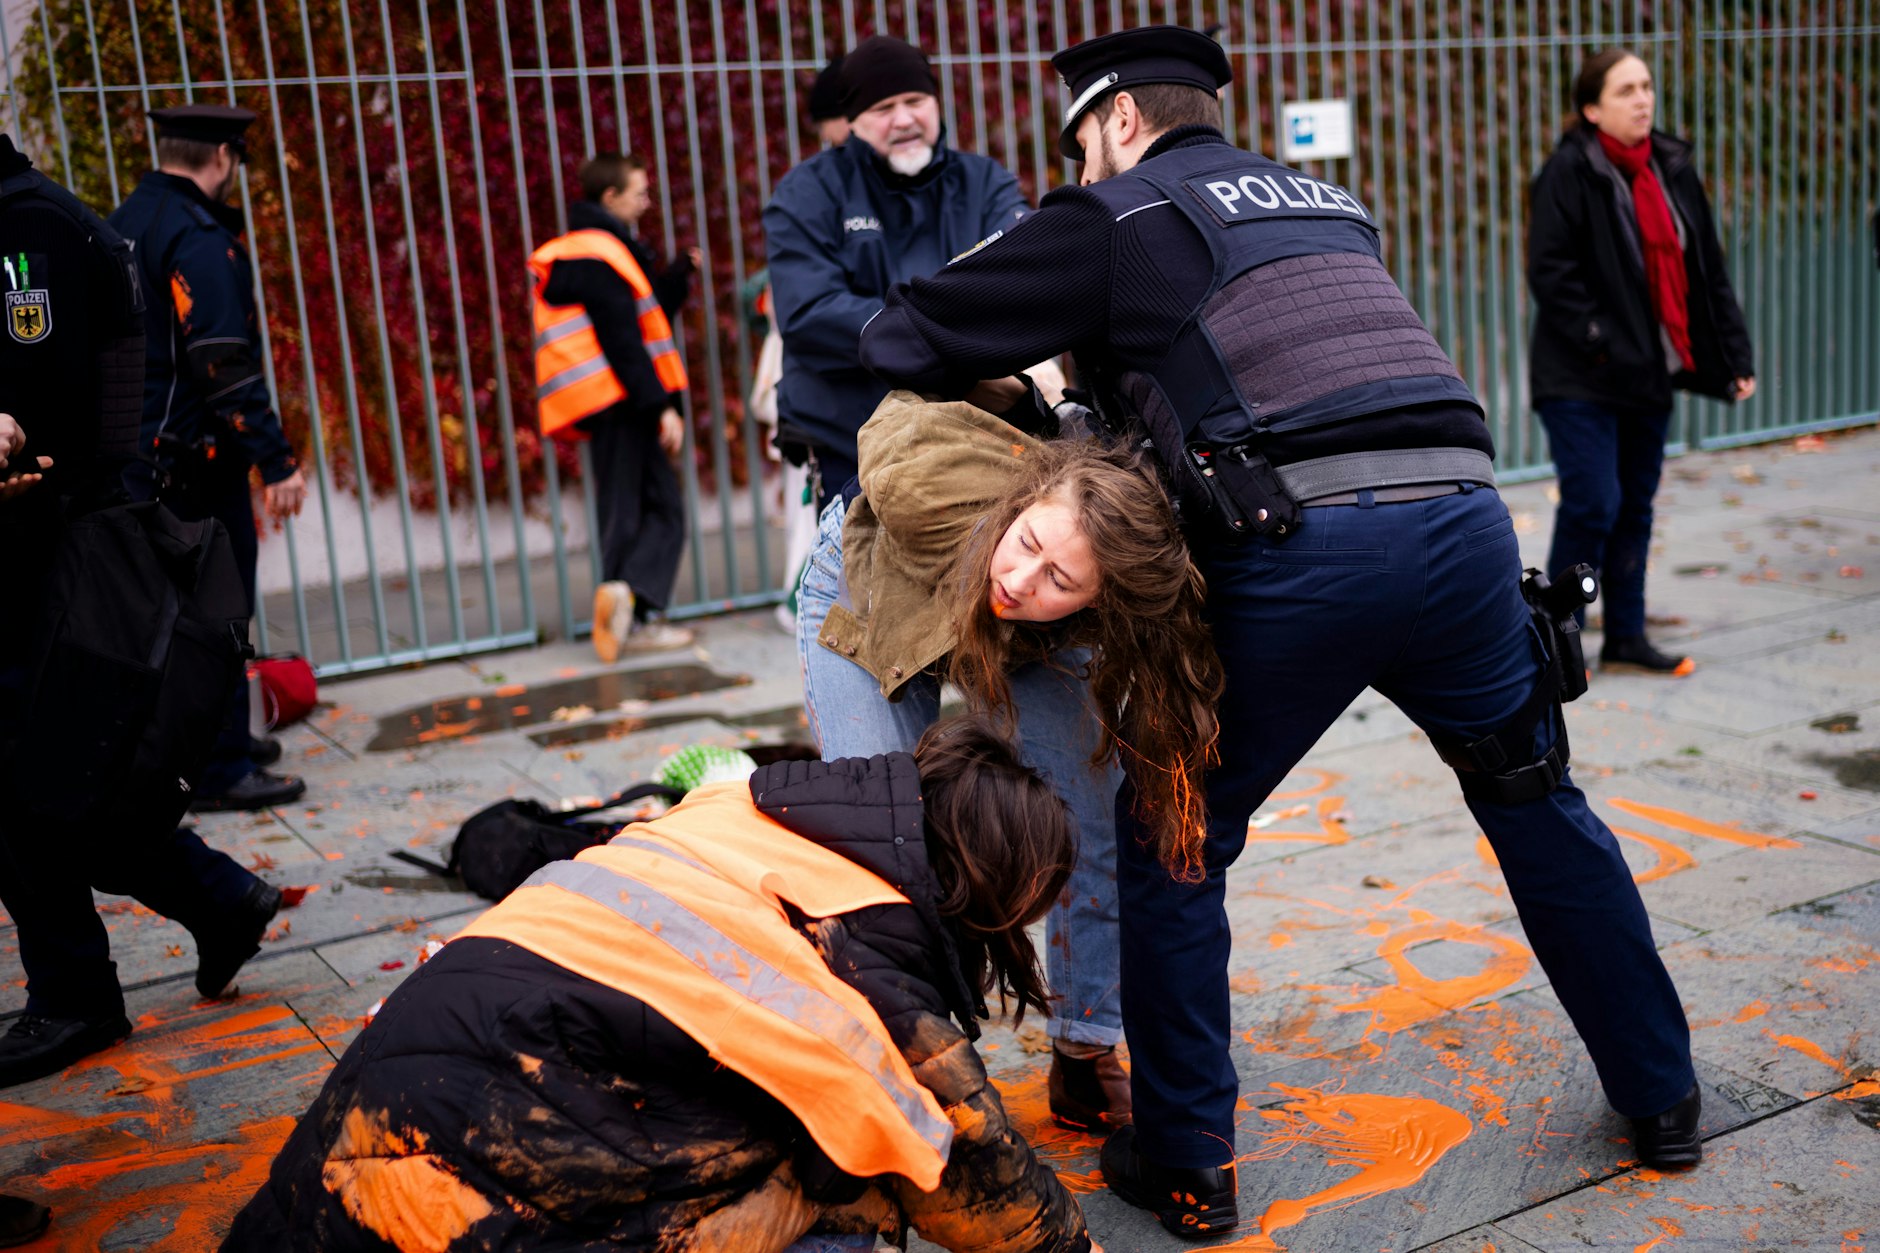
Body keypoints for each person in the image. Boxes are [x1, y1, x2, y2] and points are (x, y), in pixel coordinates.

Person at [858, 25, 1704, 1238]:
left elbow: (903, 333)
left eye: (1083, 144)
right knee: (1532, 799)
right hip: (1465, 525)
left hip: (1300, 550)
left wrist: (1047, 384)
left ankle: (1190, 1159)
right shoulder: (1325, 202)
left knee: (1172, 834)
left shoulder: (1116, 212)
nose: (1084, 166)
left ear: (1117, 124)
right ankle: (1662, 1096)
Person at [224, 716, 1098, 1253]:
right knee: (858, 1172)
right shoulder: (868, 965)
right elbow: (974, 1174)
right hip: (478, 1184)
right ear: (990, 886)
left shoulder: (743, 806)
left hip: (372, 1105)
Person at [797, 390, 1221, 1135]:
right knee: (877, 834)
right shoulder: (925, 490)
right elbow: (886, 418)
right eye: (1028, 544)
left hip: (1033, 640)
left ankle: (1086, 1052)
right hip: (875, 591)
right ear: (1026, 501)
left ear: (1101, 601)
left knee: (1090, 808)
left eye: (1061, 578)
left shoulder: (1100, 601)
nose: (1023, 580)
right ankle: (901, 1059)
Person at [0, 135, 283, 1089]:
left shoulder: (47, 224)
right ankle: (218, 900)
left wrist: (265, 452)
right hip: (89, 529)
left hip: (60, 542)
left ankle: (80, 989)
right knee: (61, 780)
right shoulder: (78, 219)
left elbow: (195, 360)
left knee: (35, 782)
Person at [1528, 48, 1756, 676]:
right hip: (1580, 375)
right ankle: (1555, 637)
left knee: (1636, 505)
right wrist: (1603, 340)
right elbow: (1551, 272)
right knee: (1594, 501)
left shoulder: (1672, 168)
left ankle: (1626, 635)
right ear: (1592, 108)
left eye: (1647, 86)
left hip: (1649, 373)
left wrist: (1731, 354)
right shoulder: (1568, 173)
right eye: (1626, 89)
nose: (1643, 99)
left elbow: (1705, 270)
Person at [109, 104, 308, 813]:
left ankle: (214, 745)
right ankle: (219, 766)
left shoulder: (122, 222)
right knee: (216, 620)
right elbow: (222, 362)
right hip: (192, 464)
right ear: (223, 156)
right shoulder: (197, 238)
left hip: (139, 461)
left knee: (170, 621)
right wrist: (278, 462)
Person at [763, 34, 1030, 510]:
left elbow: (1022, 278)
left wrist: (915, 337)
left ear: (936, 103)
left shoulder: (984, 182)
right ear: (853, 121)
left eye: (915, 101)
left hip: (975, 432)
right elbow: (810, 312)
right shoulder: (808, 192)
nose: (904, 119)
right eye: (884, 107)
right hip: (852, 439)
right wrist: (943, 341)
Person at [531, 152, 698, 661]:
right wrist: (660, 408)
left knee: (632, 507)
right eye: (639, 192)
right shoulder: (600, 254)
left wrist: (675, 275)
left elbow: (645, 314)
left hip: (607, 402)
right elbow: (624, 340)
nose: (647, 202)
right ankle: (636, 608)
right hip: (624, 401)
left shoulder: (590, 251)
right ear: (610, 197)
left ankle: (626, 602)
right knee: (656, 510)